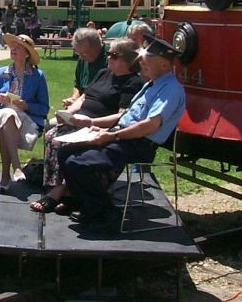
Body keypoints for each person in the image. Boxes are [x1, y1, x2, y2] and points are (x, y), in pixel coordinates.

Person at [56, 36, 186, 233]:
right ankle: (91, 207)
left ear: (165, 64)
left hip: (139, 144)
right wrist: (100, 128)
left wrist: (113, 136)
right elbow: (126, 116)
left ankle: (107, 214)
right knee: (65, 153)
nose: (141, 63)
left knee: (78, 163)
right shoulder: (152, 83)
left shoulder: (170, 89)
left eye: (146, 60)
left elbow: (149, 125)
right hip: (122, 136)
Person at [30, 38, 143, 213]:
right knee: (52, 135)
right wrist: (67, 114)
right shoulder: (103, 73)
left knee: (63, 143)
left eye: (113, 55)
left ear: (127, 59)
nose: (108, 58)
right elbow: (84, 98)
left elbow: (122, 116)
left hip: (98, 126)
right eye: (108, 54)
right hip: (79, 120)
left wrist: (90, 122)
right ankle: (65, 191)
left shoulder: (132, 82)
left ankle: (60, 192)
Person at [0, 34, 49, 189]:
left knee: (6, 121)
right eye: (12, 46)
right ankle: (17, 166)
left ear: (27, 53)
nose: (13, 49)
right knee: (7, 114)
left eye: (18, 47)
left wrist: (26, 106)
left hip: (26, 119)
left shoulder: (38, 76)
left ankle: (5, 176)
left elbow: (44, 108)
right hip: (1, 114)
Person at [62, 27, 106, 107]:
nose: (81, 57)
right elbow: (78, 85)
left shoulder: (110, 59)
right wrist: (74, 99)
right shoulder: (82, 59)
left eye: (84, 54)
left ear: (96, 47)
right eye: (79, 54)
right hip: (82, 104)